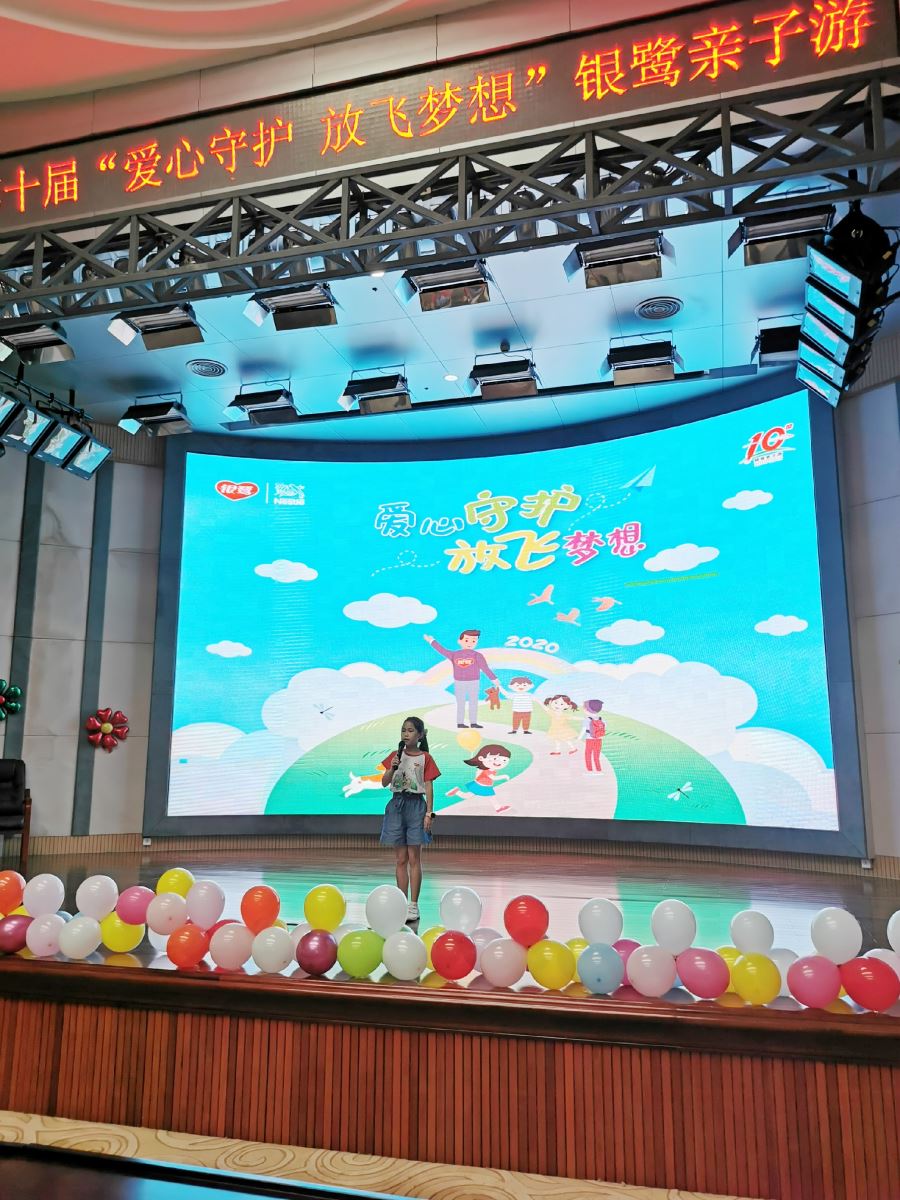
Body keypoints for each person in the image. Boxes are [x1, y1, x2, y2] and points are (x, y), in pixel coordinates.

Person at [380, 716, 440, 921]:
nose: (406, 734)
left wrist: (429, 813)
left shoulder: (426, 758)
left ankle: (413, 906)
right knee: (401, 859)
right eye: (403, 730)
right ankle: (401, 903)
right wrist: (392, 768)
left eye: (411, 730)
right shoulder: (394, 756)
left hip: (416, 807)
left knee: (414, 858)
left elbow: (429, 786)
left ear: (420, 735)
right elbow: (384, 782)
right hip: (397, 805)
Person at [424, 629, 497, 728]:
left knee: (473, 702)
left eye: (473, 641)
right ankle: (460, 723)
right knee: (461, 703)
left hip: (473, 682)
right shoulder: (454, 655)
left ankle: (473, 722)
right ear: (459, 641)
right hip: (459, 682)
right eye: (466, 640)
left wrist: (494, 679)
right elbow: (442, 650)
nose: (470, 643)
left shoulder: (477, 656)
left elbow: (485, 668)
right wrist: (432, 641)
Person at [446, 743, 512, 813]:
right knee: (491, 797)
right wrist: (504, 776)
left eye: (504, 760)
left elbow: (480, 774)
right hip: (482, 786)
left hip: (483, 785)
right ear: (481, 758)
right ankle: (498, 808)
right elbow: (493, 778)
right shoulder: (487, 770)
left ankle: (456, 791)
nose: (499, 762)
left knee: (468, 795)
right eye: (495, 758)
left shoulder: (491, 769)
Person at [578, 699, 606, 773]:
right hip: (599, 740)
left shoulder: (587, 720)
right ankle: (599, 770)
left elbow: (583, 730)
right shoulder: (602, 719)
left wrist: (579, 738)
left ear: (588, 710)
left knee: (588, 755)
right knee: (596, 756)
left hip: (590, 739)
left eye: (584, 708)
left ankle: (590, 770)